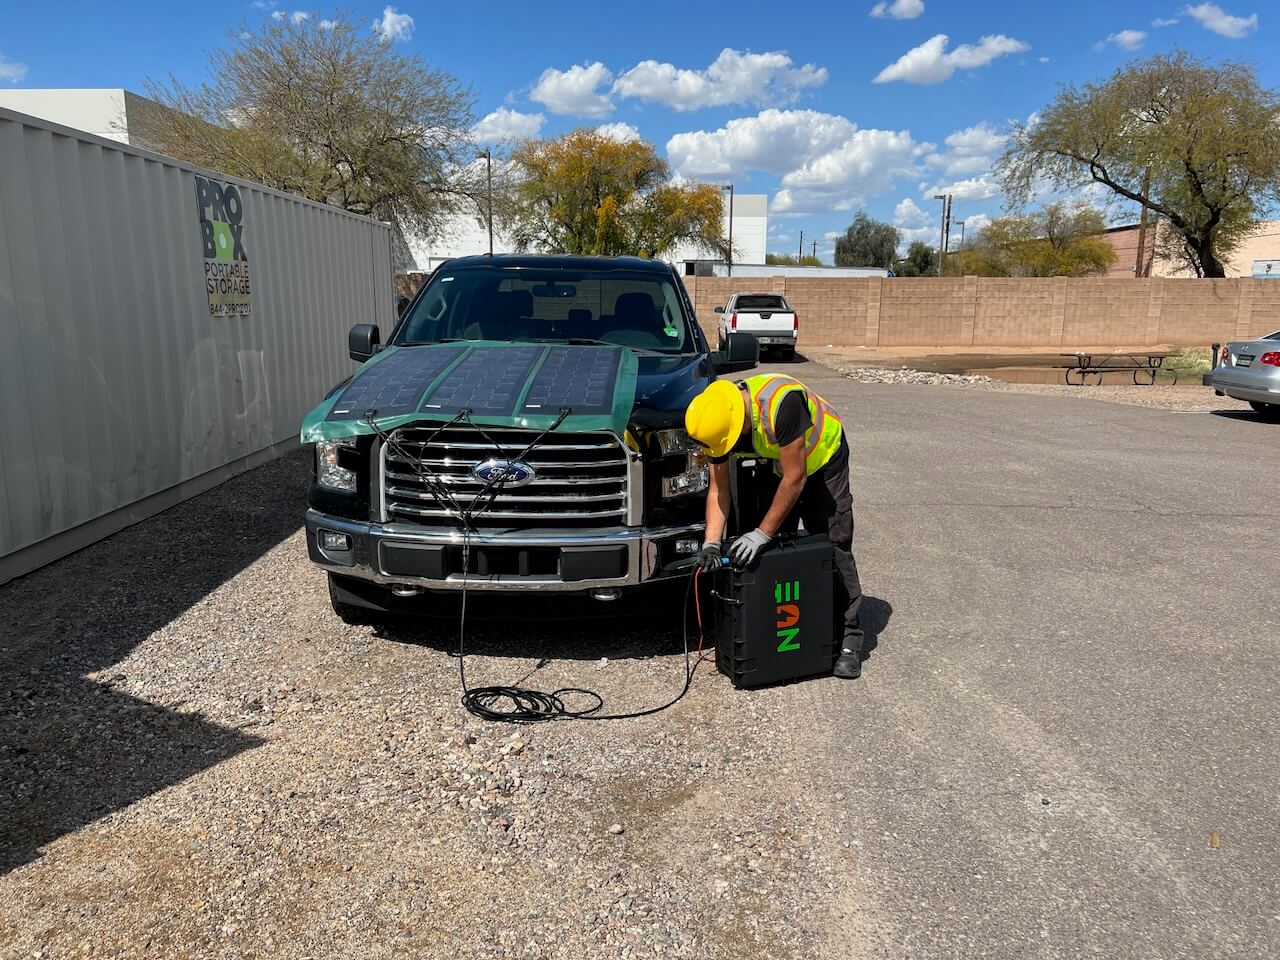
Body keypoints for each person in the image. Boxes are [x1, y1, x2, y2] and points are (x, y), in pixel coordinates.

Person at [684, 375, 865, 679]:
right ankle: (775, 627)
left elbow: (796, 478)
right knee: (773, 550)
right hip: (778, 462)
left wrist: (761, 533)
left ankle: (849, 637)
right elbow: (719, 489)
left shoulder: (784, 404)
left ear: (739, 421)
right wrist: (711, 542)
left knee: (833, 545)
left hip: (823, 459)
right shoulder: (718, 420)